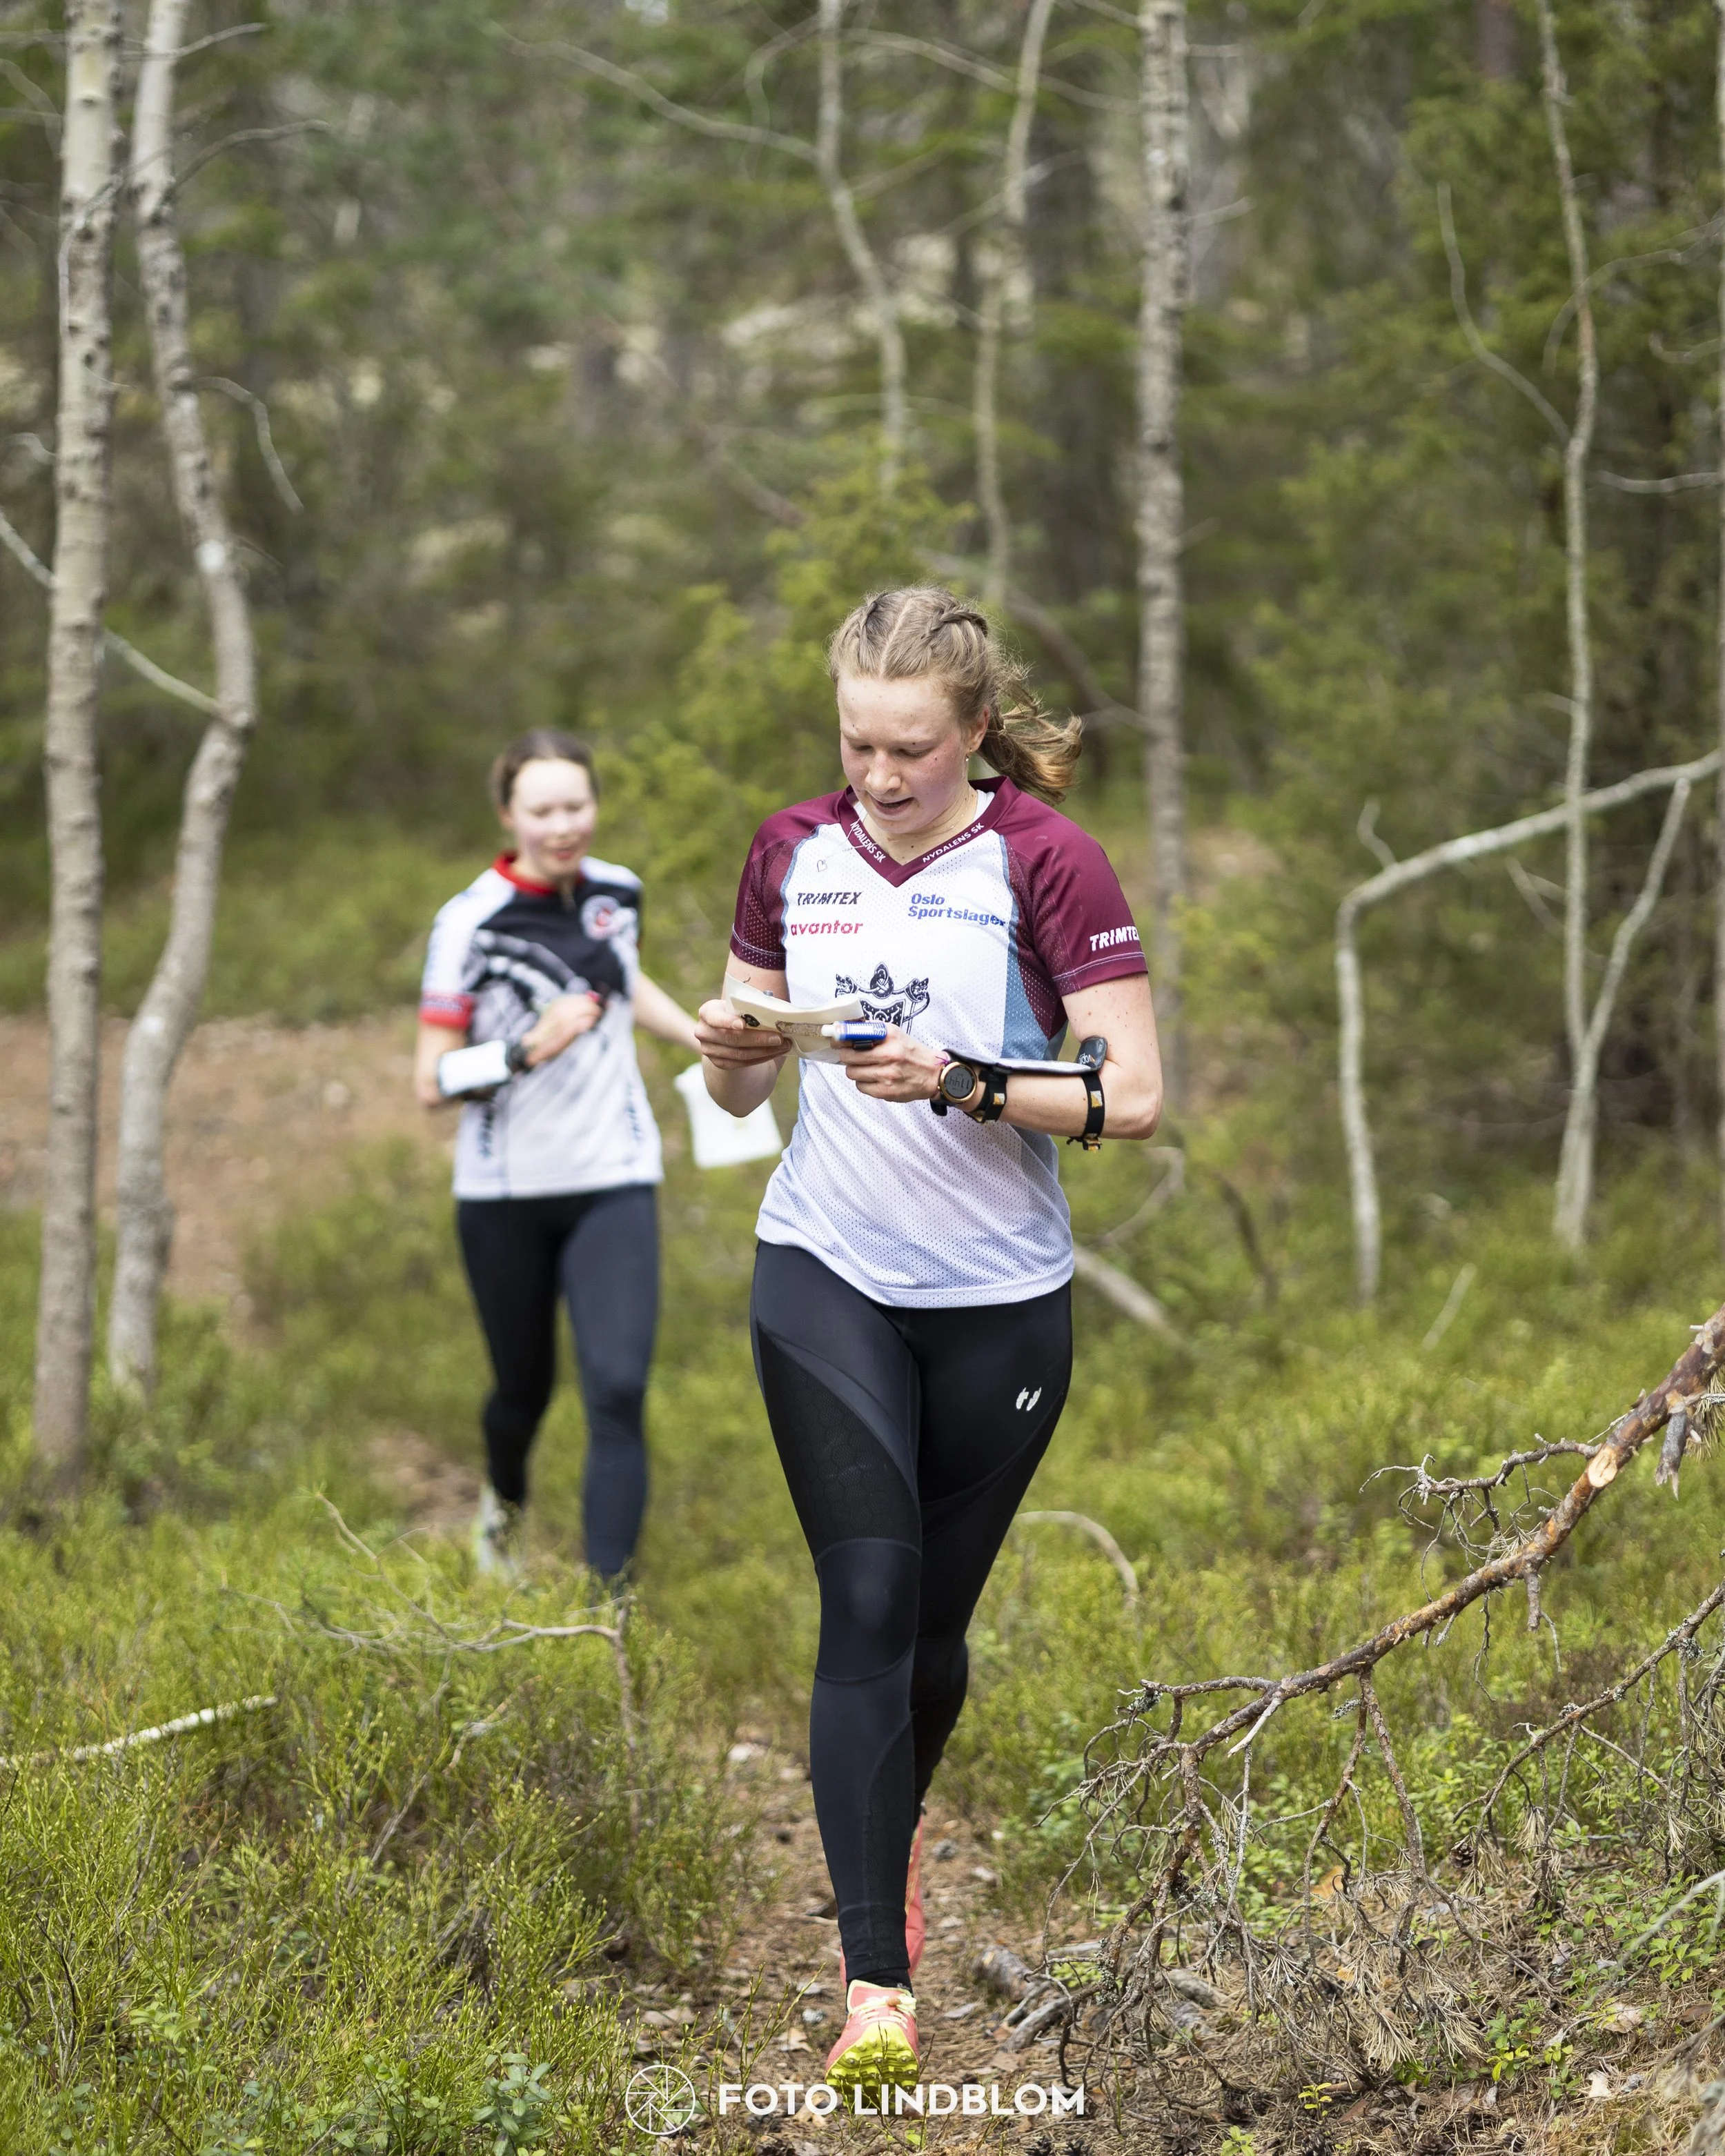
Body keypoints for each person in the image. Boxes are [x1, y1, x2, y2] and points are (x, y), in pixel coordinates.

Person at [694, 589, 1163, 2095]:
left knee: (934, 1636)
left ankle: (881, 1843)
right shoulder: (791, 847)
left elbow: (1131, 1095)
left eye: (909, 745)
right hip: (822, 1262)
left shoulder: (1042, 857)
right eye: (856, 742)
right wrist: (730, 1054)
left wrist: (963, 1078)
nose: (880, 774)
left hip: (998, 1294)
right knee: (868, 1589)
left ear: (971, 733)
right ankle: (873, 1978)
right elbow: (733, 1109)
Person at [415, 729, 700, 1583]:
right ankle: (502, 1507)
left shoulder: (619, 891)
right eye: (542, 809)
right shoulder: (469, 921)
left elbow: (622, 977)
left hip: (615, 1176)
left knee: (616, 1389)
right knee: (523, 1391)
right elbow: (429, 1078)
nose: (562, 824)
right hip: (506, 1191)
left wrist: (703, 1032)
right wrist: (522, 1050)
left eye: (576, 804)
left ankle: (608, 1611)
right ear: (509, 816)